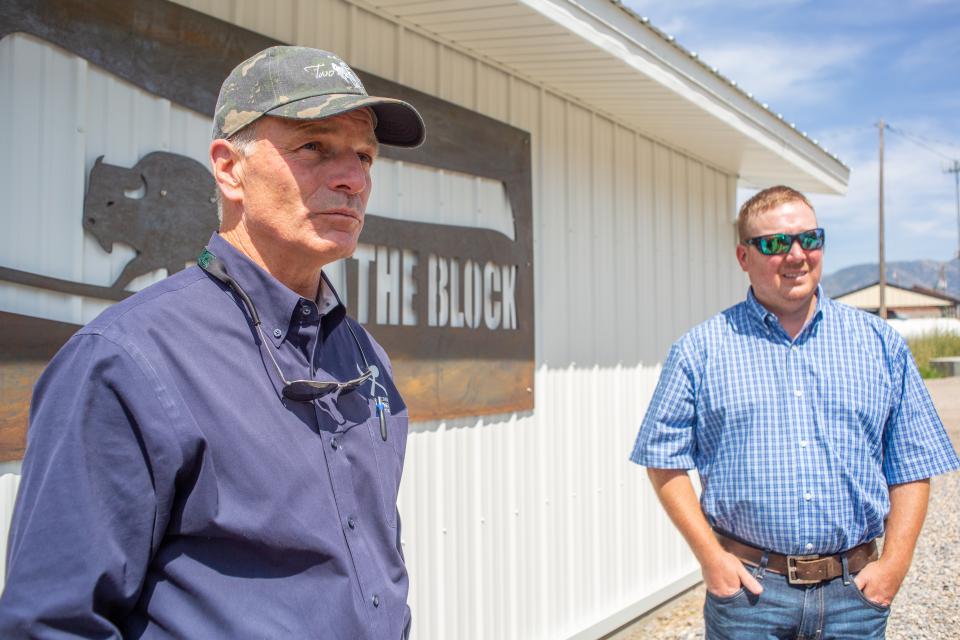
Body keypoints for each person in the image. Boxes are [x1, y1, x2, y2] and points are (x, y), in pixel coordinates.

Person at [0, 46, 425, 639]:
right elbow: (53, 623)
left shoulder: (363, 356)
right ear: (229, 169)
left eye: (363, 156)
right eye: (315, 148)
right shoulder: (125, 360)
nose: (353, 179)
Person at [630, 185, 959, 639]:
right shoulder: (700, 350)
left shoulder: (880, 344)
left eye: (811, 238)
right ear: (744, 256)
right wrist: (712, 559)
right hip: (749, 598)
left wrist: (893, 569)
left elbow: (914, 464)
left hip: (855, 597)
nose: (797, 254)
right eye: (775, 243)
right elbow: (661, 457)